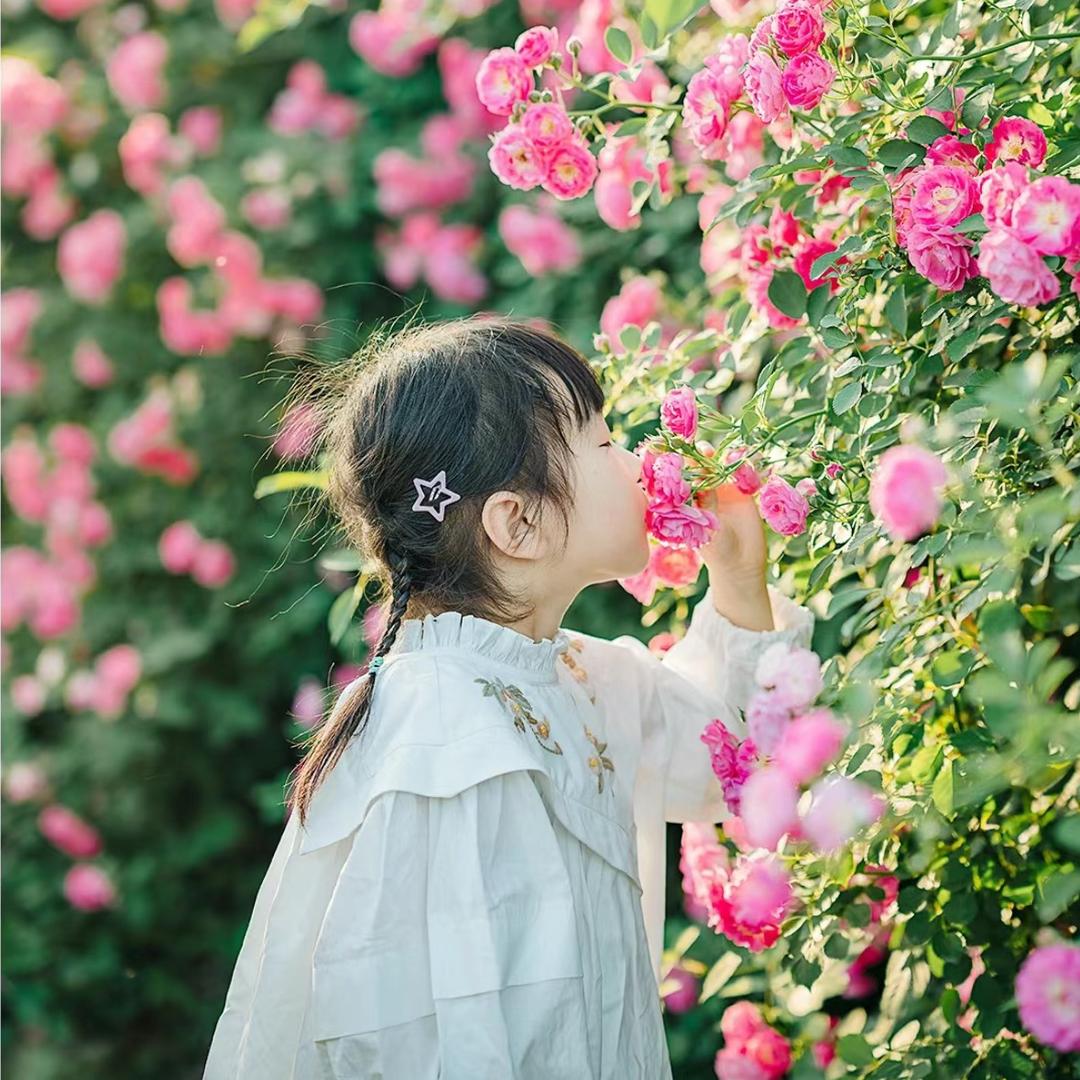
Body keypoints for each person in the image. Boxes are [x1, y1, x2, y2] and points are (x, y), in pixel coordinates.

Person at [203, 314, 813, 1079]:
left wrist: (738, 574)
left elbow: (728, 761)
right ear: (517, 524)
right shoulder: (450, 737)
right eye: (602, 442)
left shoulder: (562, 676)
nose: (636, 462)